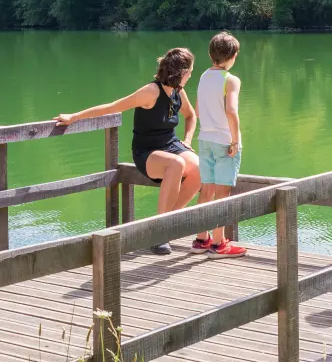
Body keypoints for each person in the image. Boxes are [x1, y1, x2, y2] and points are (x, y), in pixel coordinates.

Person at [54, 47, 201, 256]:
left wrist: (187, 140)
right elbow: (113, 107)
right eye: (190, 72)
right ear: (181, 72)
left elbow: (191, 116)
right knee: (175, 164)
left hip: (171, 144)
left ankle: (169, 222)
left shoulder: (178, 92)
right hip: (147, 151)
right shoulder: (151, 92)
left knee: (200, 169)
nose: (191, 76)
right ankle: (160, 233)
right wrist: (74, 117)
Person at [190, 32, 247, 258]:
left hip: (205, 139)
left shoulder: (204, 76)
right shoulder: (230, 80)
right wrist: (234, 140)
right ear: (232, 56)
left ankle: (200, 239)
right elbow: (231, 111)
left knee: (207, 189)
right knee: (223, 193)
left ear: (210, 55)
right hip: (224, 141)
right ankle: (218, 244)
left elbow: (197, 109)